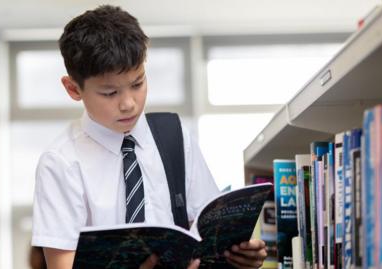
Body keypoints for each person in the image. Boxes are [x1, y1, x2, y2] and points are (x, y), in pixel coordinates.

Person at [31, 5, 267, 269]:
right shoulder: (60, 162)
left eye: (138, 83)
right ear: (73, 88)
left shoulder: (174, 137)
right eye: (110, 93)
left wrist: (238, 256)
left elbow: (208, 234)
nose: (129, 103)